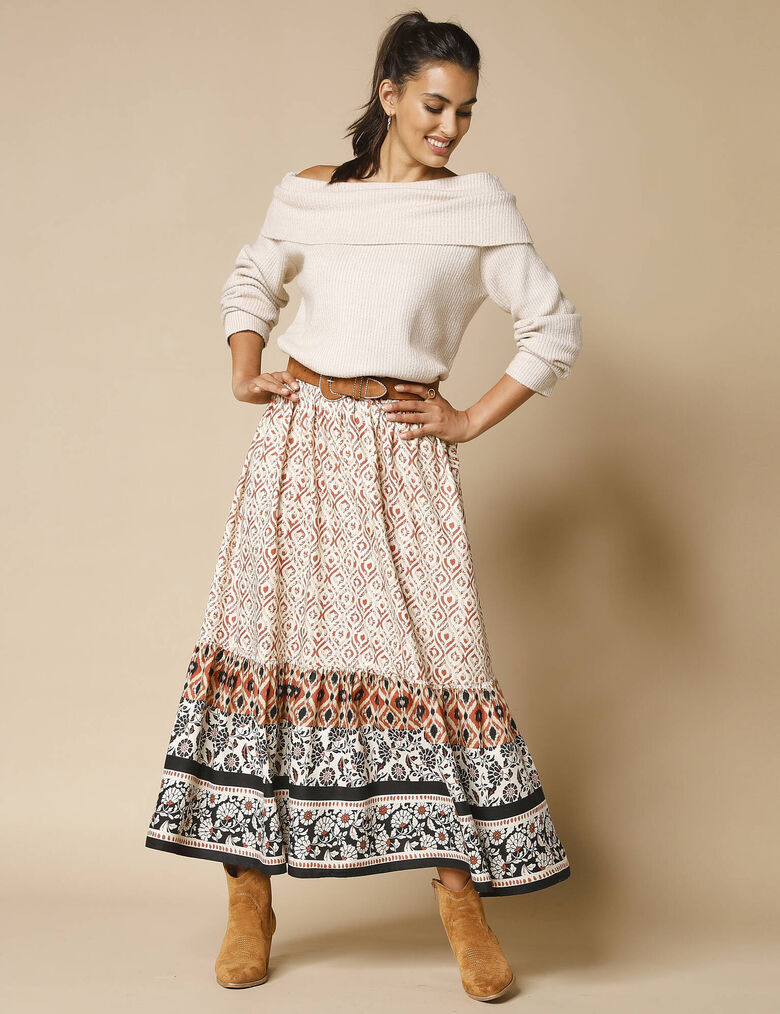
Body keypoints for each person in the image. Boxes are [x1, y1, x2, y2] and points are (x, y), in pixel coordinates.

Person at [145, 9, 582, 1003]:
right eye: (435, 106)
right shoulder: (312, 193)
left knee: (436, 664)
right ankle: (248, 896)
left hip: (401, 454)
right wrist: (246, 366)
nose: (450, 128)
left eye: (466, 112)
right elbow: (252, 279)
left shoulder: (475, 209)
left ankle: (461, 905)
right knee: (268, 647)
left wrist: (466, 419)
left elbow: (552, 328)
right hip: (300, 443)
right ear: (389, 94)